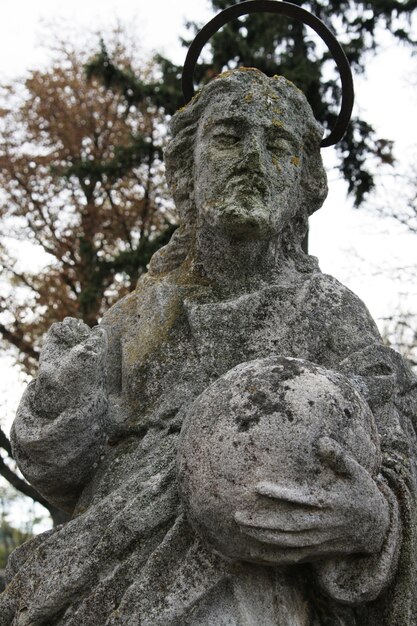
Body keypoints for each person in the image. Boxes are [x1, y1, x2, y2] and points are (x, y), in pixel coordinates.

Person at [1, 68, 416, 626]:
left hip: (260, 582)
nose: (252, 159)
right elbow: (60, 474)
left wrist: (374, 520)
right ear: (185, 171)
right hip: (112, 573)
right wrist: (62, 404)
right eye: (228, 137)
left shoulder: (334, 315)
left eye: (278, 145)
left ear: (307, 185)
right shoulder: (136, 314)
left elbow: (397, 464)